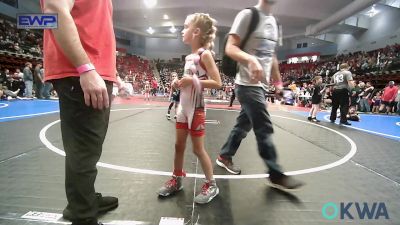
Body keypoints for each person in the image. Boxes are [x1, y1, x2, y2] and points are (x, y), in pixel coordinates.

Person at [41, 1, 118, 225]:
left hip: (93, 69)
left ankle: (83, 201)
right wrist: (85, 67)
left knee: (86, 147)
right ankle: (82, 214)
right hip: (80, 70)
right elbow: (54, 10)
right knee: (84, 148)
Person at [216, 0, 303, 190]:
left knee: (242, 127)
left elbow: (271, 56)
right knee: (264, 127)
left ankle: (224, 155)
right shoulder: (248, 15)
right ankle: (275, 172)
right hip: (247, 84)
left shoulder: (273, 23)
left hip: (261, 86)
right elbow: (230, 47)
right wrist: (250, 59)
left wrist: (278, 83)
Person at [157, 13, 222, 204]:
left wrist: (191, 81)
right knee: (178, 146)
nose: (181, 30)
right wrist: (178, 82)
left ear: (196, 32)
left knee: (198, 149)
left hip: (197, 109)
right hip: (183, 108)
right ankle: (177, 179)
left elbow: (217, 82)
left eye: (185, 27)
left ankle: (212, 184)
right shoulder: (188, 58)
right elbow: (190, 81)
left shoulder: (205, 54)